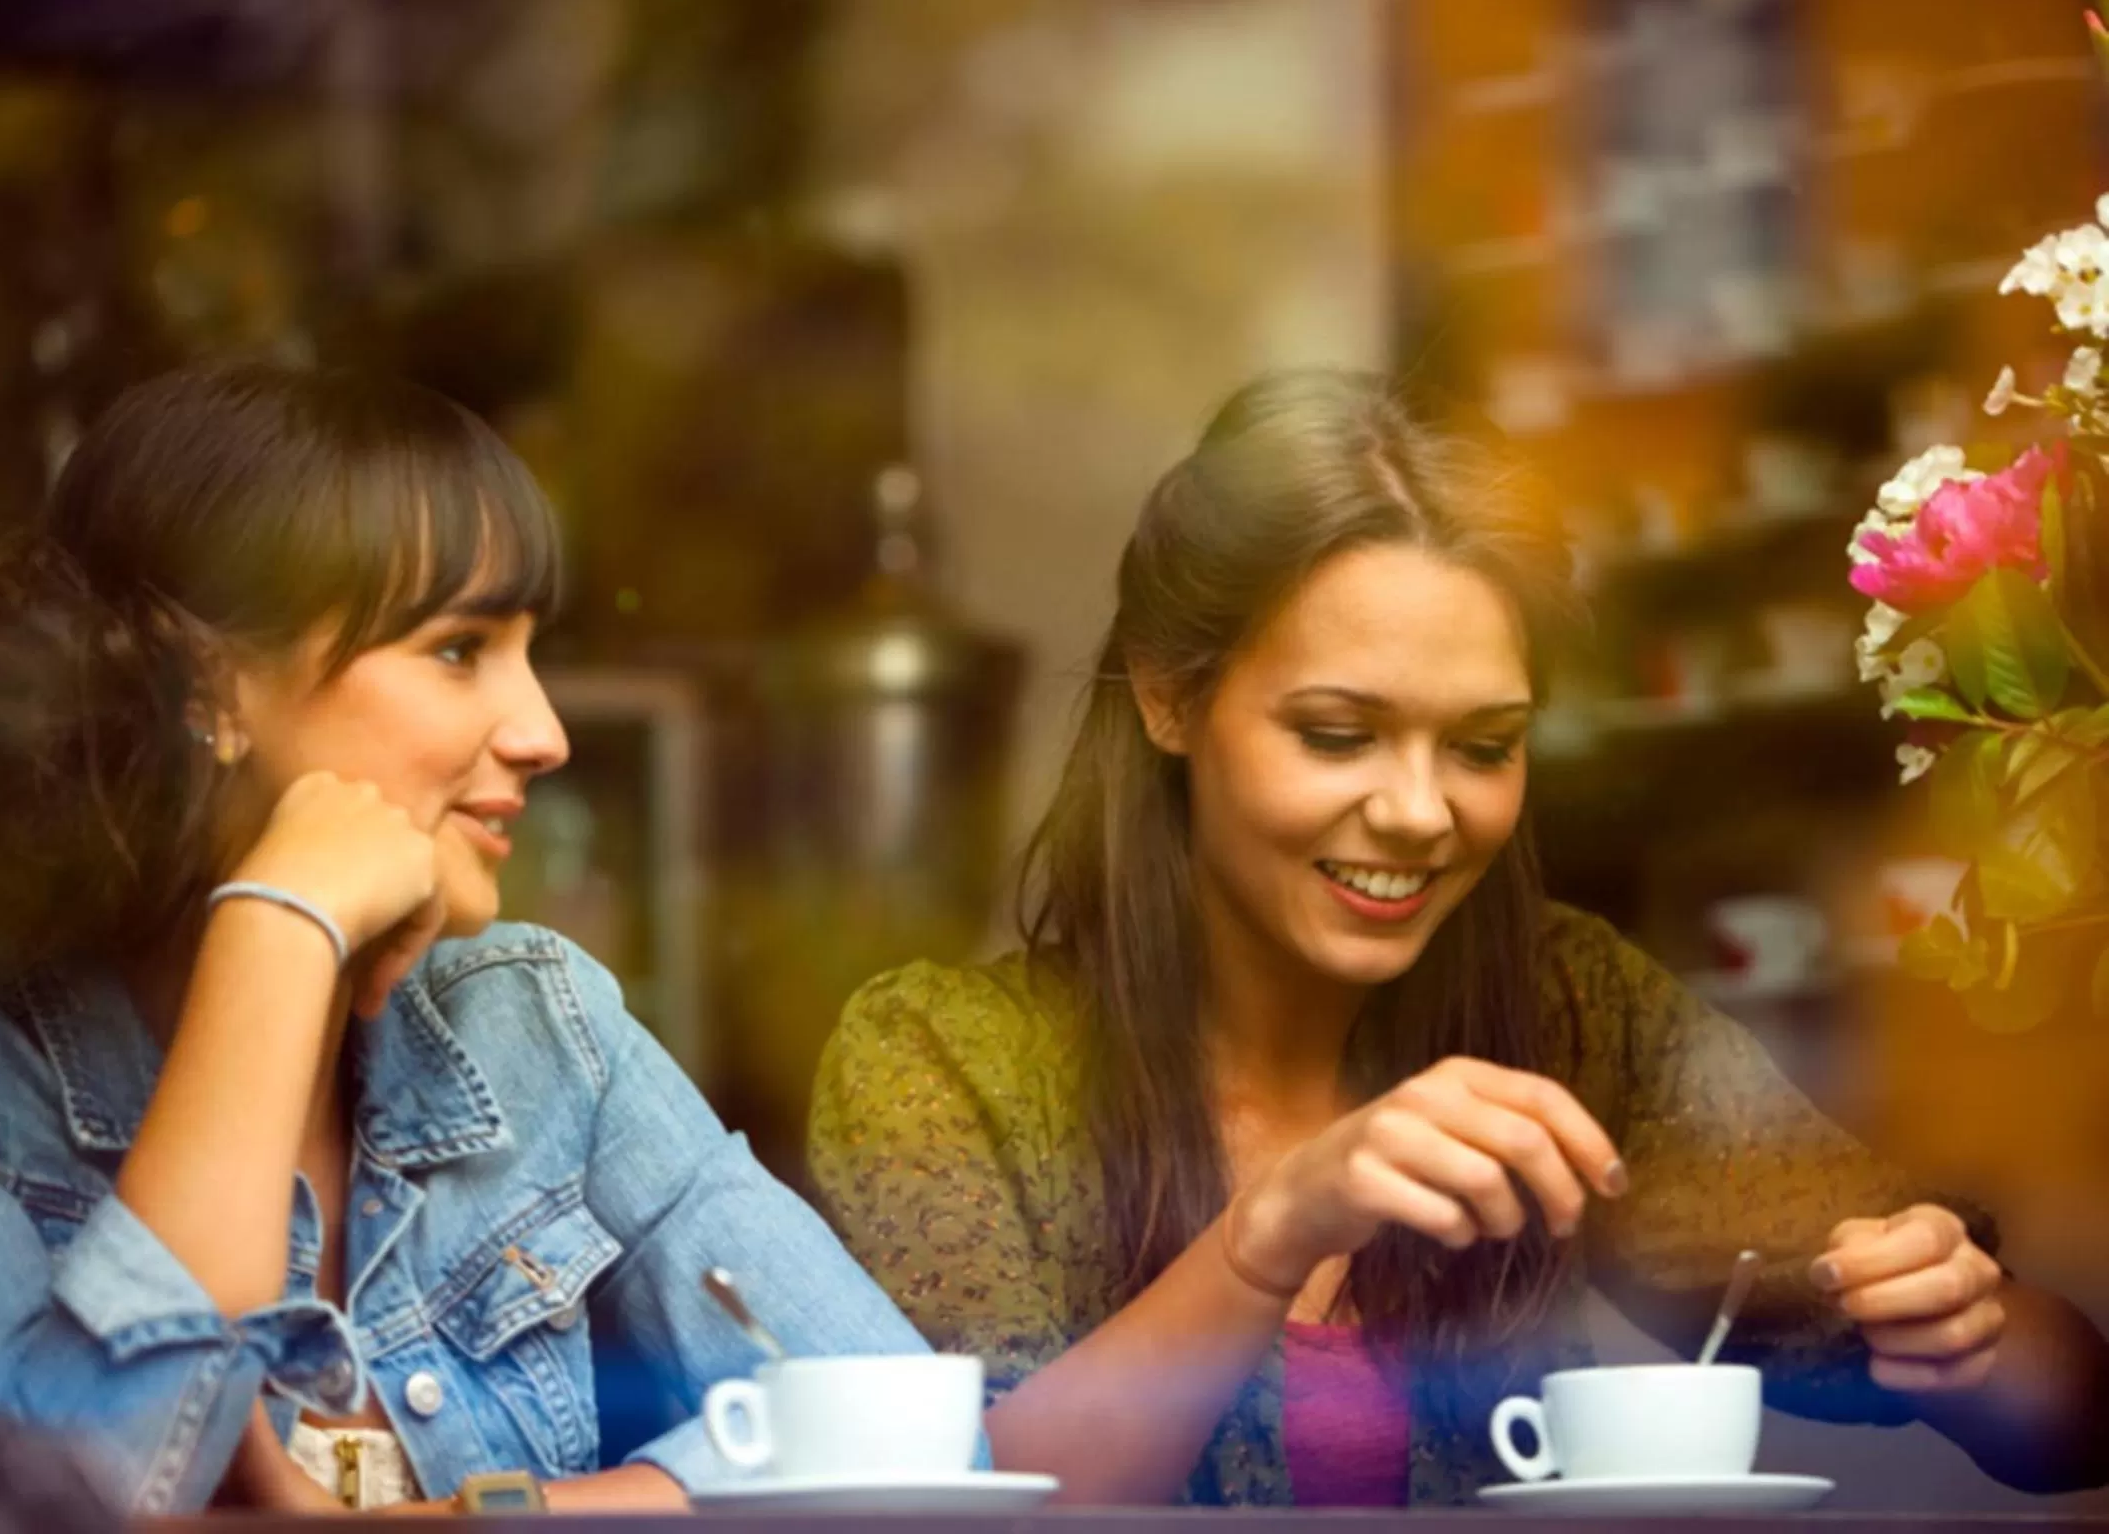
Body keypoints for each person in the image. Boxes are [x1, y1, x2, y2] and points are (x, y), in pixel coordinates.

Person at [809, 369, 2109, 1507]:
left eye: (1483, 747)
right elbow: (979, 1502)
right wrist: (1275, 1228)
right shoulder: (940, 1060)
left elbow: (2071, 1432)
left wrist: (1966, 1330)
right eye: (1336, 733)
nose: (1422, 812)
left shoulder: (1566, 1007)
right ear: (1167, 695)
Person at [0, 361, 938, 1516]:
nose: (542, 731)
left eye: (530, 650)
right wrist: (277, 932)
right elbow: (55, 1507)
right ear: (209, 687)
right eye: (459, 649)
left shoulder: (535, 1019)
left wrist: (479, 1519)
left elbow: (900, 1432)